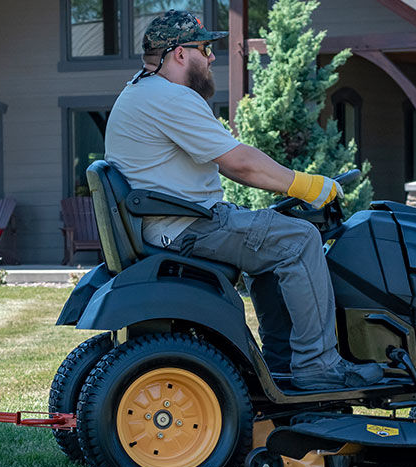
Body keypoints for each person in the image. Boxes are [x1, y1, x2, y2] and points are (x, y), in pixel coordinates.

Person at [103, 10, 382, 390]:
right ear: (179, 54)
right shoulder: (168, 97)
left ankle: (282, 364)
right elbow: (240, 164)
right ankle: (319, 367)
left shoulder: (140, 91)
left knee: (273, 239)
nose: (212, 57)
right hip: (189, 228)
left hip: (173, 222)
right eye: (205, 48)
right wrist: (307, 185)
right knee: (299, 241)